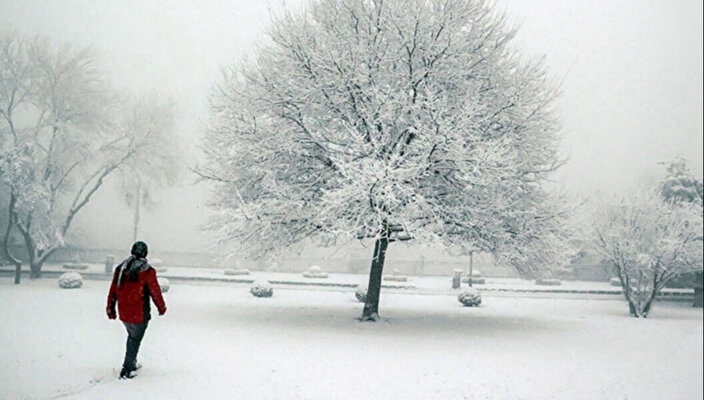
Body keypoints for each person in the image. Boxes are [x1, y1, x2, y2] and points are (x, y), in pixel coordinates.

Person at [106, 241, 167, 379]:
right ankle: (127, 369)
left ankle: (131, 362)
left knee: (132, 337)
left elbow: (113, 290)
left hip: (124, 312)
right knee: (135, 339)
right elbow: (155, 291)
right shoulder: (148, 271)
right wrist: (161, 307)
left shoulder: (121, 268)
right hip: (140, 314)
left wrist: (111, 308)